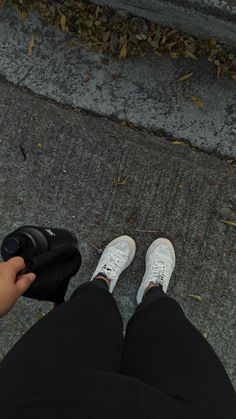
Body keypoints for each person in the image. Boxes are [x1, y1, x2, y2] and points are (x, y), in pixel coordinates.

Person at [0, 236, 235, 419]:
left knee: (86, 313)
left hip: (31, 402)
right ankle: (153, 292)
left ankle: (101, 282)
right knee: (165, 322)